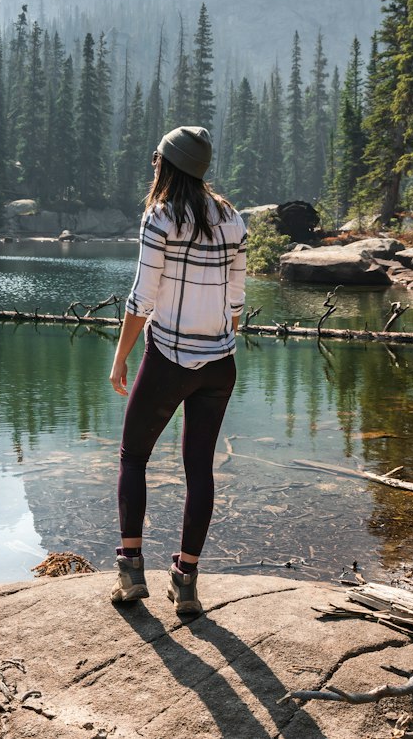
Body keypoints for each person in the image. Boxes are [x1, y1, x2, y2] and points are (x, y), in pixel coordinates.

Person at [109, 125, 247, 617]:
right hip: (220, 365)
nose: (153, 166)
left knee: (132, 458)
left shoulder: (160, 217)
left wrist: (121, 355)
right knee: (199, 469)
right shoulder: (233, 218)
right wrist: (213, 338)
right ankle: (185, 583)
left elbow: (142, 299)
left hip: (168, 359)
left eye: (156, 160)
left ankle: (130, 571)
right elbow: (235, 301)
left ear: (167, 165)